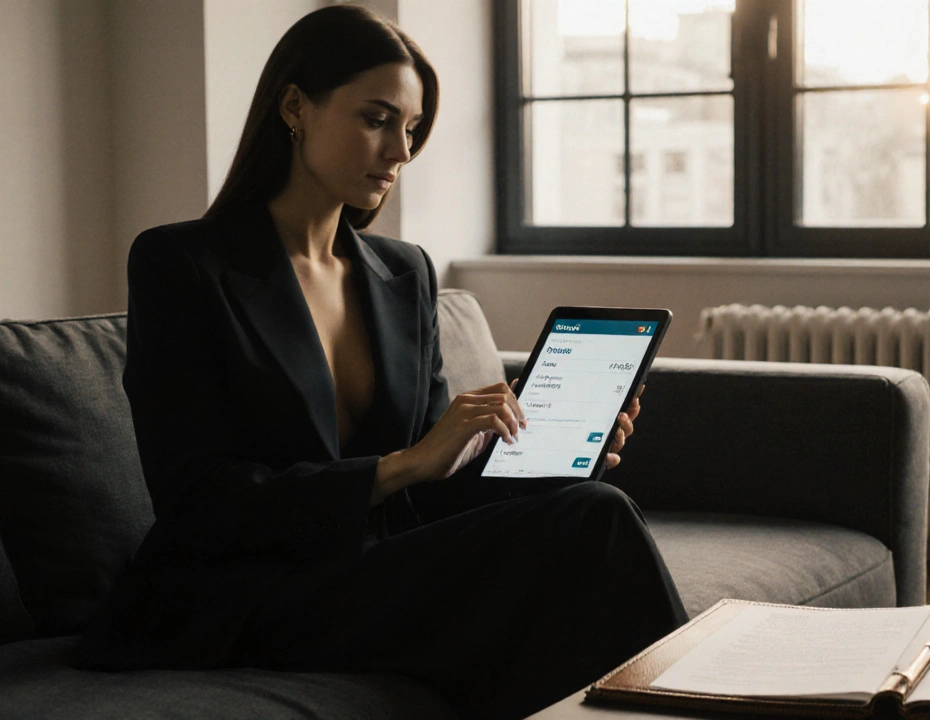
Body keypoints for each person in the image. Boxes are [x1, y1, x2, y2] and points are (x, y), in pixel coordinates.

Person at [71, 6, 688, 718]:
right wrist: (402, 465)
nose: (400, 151)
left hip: (372, 574)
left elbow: (430, 493)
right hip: (245, 593)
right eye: (376, 119)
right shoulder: (181, 264)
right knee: (597, 525)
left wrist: (533, 455)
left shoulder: (404, 274)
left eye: (412, 128)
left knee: (582, 506)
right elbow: (199, 502)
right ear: (295, 107)